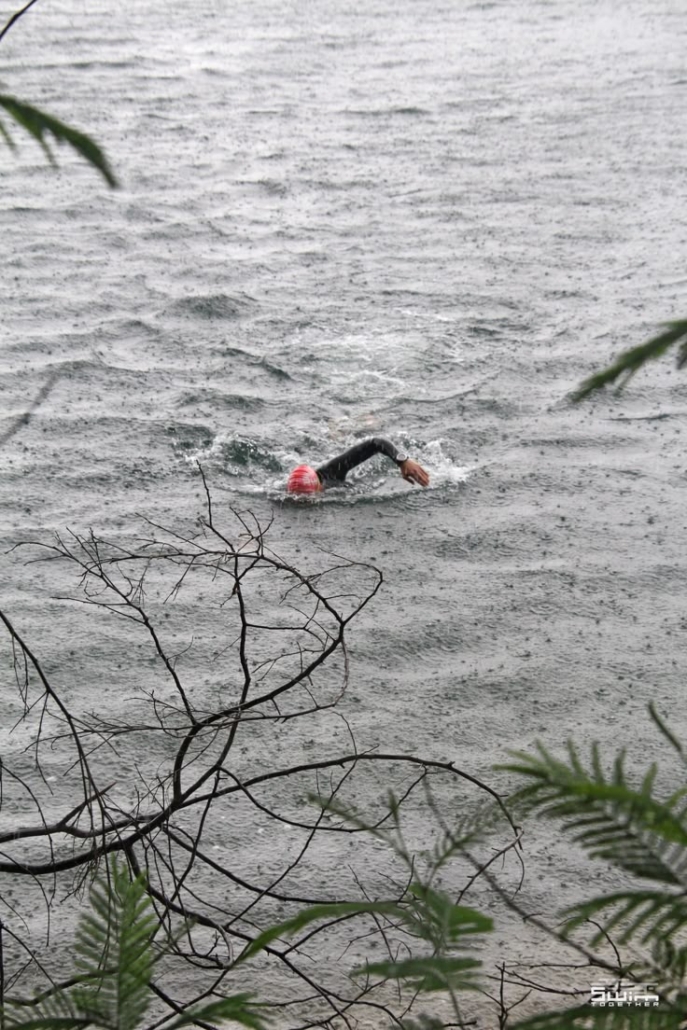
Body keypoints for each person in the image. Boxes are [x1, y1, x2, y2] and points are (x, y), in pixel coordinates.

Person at [286, 437, 430, 494]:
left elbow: (376, 443)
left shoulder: (332, 471)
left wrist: (402, 461)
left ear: (317, 486)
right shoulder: (292, 489)